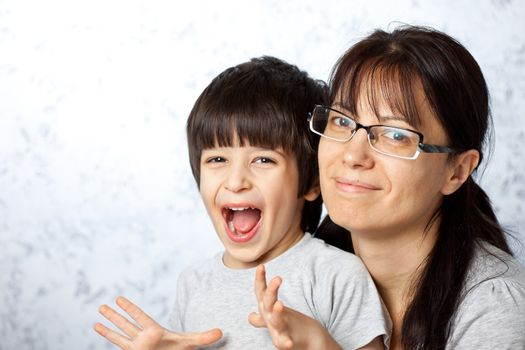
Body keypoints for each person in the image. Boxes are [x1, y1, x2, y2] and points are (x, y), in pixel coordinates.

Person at [250, 26, 525, 349]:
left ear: (457, 171)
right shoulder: (290, 279)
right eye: (341, 120)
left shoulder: (494, 306)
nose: (353, 155)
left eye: (396, 135)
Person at [94, 56, 389, 349]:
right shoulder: (194, 283)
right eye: (217, 159)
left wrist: (317, 342)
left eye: (264, 159)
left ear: (312, 183)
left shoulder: (336, 276)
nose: (236, 182)